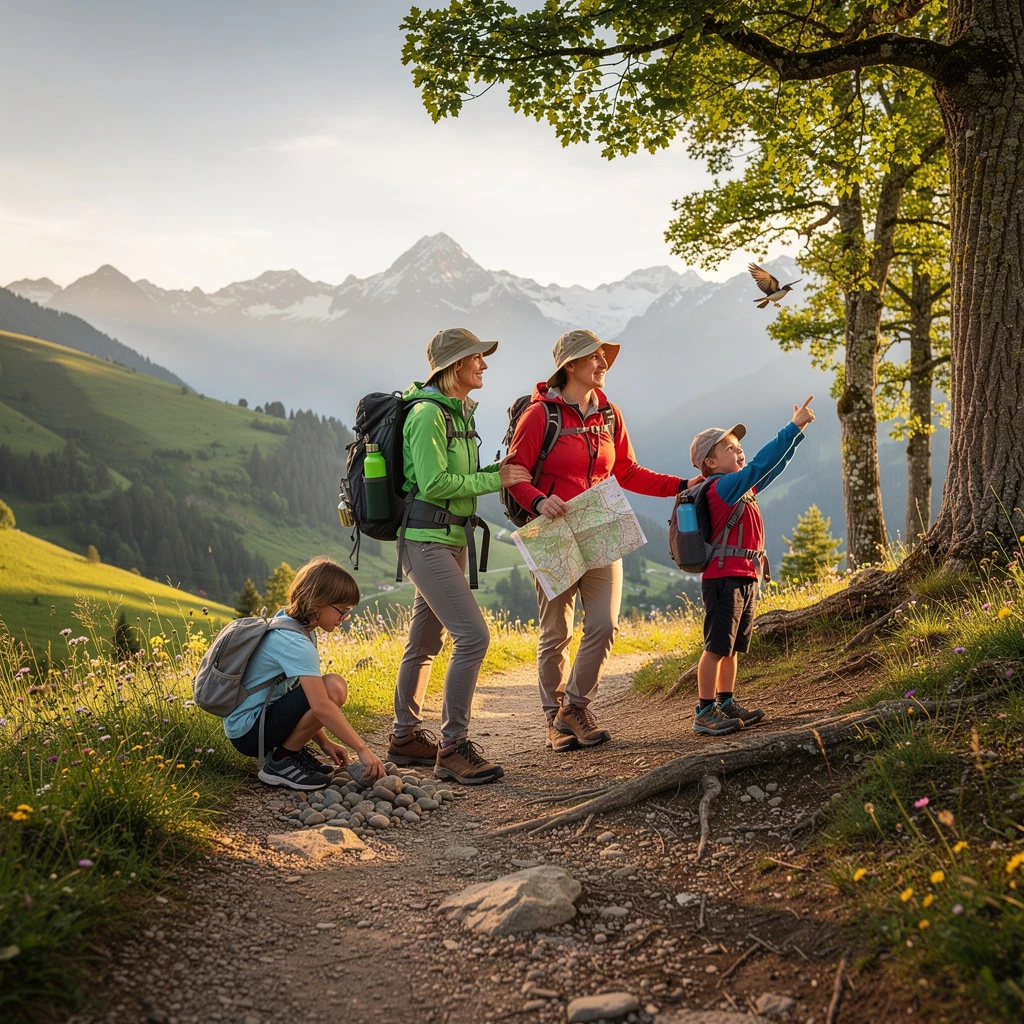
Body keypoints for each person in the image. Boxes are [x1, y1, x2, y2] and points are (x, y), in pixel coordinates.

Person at [506, 329, 703, 752]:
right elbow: (514, 472)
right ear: (569, 367)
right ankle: (553, 721)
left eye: (603, 357)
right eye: (592, 358)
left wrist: (684, 483)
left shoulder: (609, 413)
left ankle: (574, 707)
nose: (602, 364)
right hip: (553, 532)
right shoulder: (541, 415)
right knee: (556, 630)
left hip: (600, 526)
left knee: (603, 623)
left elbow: (627, 472)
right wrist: (538, 501)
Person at [387, 327, 531, 785]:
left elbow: (455, 474)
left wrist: (497, 469)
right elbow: (433, 485)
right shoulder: (429, 414)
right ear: (453, 366)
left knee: (425, 643)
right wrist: (496, 482)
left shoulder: (457, 411)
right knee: (473, 637)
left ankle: (405, 737)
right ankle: (452, 748)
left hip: (446, 540)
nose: (484, 365)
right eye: (476, 358)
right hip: (427, 541)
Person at [689, 396, 815, 737]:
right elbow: (761, 464)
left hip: (745, 575)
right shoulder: (722, 488)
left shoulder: (742, 488)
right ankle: (703, 711)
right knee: (716, 646)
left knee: (732, 646)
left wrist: (796, 436)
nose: (739, 450)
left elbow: (772, 467)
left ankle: (726, 702)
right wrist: (792, 427)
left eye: (738, 445)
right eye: (730, 447)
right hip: (723, 577)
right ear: (711, 462)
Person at [223, 556, 387, 790]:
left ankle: (290, 751)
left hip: (254, 723)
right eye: (342, 610)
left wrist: (325, 742)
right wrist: (362, 749)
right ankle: (281, 762)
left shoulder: (293, 626)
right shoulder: (295, 642)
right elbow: (320, 705)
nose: (345, 618)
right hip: (249, 733)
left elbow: (299, 697)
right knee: (333, 687)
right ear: (318, 603)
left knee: (326, 687)